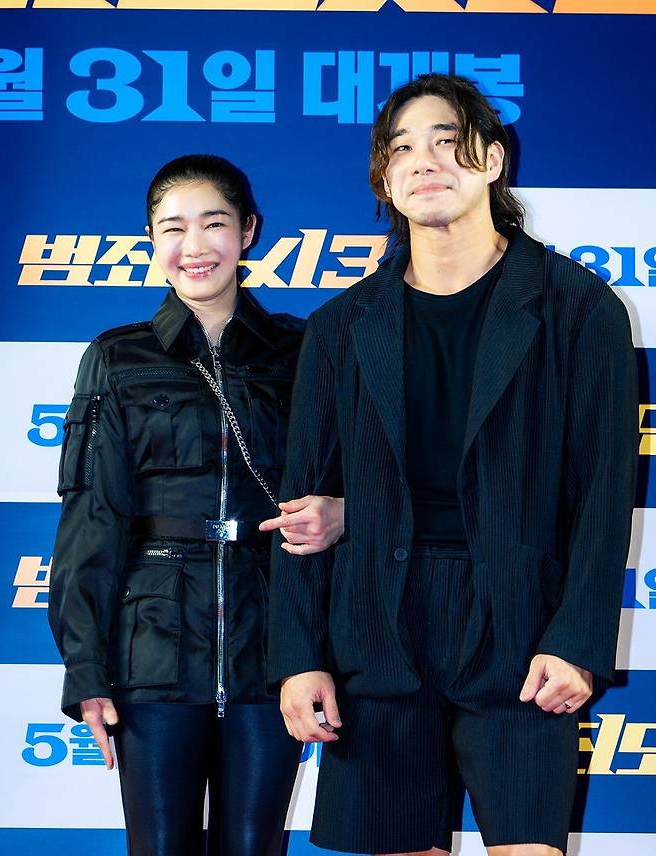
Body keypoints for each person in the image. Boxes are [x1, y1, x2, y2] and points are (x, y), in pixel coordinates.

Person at [266, 74, 638, 856]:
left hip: (523, 631)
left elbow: (604, 497)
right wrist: (298, 659)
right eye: (401, 148)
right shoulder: (340, 327)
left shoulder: (579, 309)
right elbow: (301, 511)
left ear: (493, 160)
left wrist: (578, 640)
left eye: (446, 140)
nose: (424, 160)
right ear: (384, 179)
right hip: (377, 629)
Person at [48, 154, 344, 856]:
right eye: (173, 228)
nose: (194, 246)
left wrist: (344, 511)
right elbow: (91, 518)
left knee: (255, 846)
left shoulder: (305, 350)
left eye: (213, 223)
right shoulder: (116, 357)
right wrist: (86, 668)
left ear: (248, 232)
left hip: (273, 643)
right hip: (150, 647)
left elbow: (355, 476)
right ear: (151, 240)